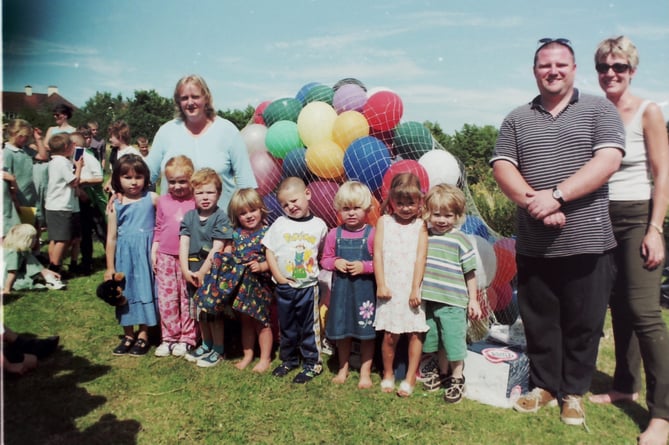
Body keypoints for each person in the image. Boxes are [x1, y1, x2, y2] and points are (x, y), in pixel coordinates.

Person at [490, 38, 625, 426]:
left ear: (574, 68)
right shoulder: (517, 118)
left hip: (588, 240)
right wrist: (537, 203)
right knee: (540, 320)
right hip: (534, 244)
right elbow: (503, 167)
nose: (553, 71)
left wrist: (558, 196)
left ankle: (574, 393)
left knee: (584, 322)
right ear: (535, 71)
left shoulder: (599, 110)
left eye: (561, 64)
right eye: (545, 65)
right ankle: (544, 386)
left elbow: (608, 160)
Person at [588, 36, 669, 445]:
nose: (611, 74)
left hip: (637, 217)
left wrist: (655, 229)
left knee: (644, 311)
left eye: (619, 67)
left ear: (632, 70)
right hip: (600, 219)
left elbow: (662, 173)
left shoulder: (648, 111)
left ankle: (662, 415)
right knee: (618, 308)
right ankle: (624, 384)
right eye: (604, 67)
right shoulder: (594, 111)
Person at [145, 74, 257, 211]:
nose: (190, 102)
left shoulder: (227, 130)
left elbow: (245, 182)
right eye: (184, 98)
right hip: (174, 225)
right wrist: (116, 184)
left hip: (220, 225)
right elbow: (146, 174)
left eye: (195, 97)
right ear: (178, 101)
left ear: (206, 98)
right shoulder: (166, 131)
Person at [420, 183, 481, 403]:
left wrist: (473, 300)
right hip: (431, 299)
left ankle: (457, 377)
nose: (442, 220)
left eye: (449, 215)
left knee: (454, 341)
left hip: (453, 302)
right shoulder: (425, 236)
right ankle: (441, 373)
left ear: (457, 216)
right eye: (437, 214)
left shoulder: (460, 241)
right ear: (428, 213)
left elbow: (470, 273)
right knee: (437, 340)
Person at [263, 177, 328, 384]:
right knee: (287, 326)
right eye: (285, 204)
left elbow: (320, 252)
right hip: (284, 287)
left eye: (294, 200)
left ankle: (312, 364)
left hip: (308, 287)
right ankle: (289, 359)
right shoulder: (279, 224)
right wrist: (280, 278)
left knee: (309, 326)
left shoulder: (319, 225)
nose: (291, 206)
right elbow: (269, 251)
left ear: (307, 194)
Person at [373, 172, 428, 397]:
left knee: (415, 333)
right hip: (390, 287)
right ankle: (388, 373)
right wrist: (381, 284)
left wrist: (415, 288)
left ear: (419, 202)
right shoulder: (384, 222)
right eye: (400, 202)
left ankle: (409, 378)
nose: (405, 207)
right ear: (392, 201)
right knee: (389, 334)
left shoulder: (421, 225)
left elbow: (421, 258)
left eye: (411, 203)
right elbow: (377, 254)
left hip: (412, 287)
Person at [320, 181, 377, 389]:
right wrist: (335, 262)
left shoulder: (372, 234)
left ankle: (365, 372)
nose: (351, 213)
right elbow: (324, 260)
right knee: (342, 332)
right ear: (339, 210)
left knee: (366, 333)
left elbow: (381, 262)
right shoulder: (334, 234)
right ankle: (342, 368)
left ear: (367, 209)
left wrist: (365, 267)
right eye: (346, 209)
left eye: (356, 208)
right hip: (342, 293)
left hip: (365, 294)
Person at [104, 154, 158, 356]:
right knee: (126, 292)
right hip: (125, 255)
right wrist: (110, 267)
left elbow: (169, 211)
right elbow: (111, 238)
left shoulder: (152, 199)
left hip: (145, 254)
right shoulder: (115, 205)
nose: (133, 182)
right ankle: (128, 334)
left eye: (138, 177)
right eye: (127, 177)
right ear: (117, 179)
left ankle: (144, 334)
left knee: (145, 289)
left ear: (146, 178)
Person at [180, 168, 232, 368]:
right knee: (199, 312)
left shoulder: (220, 218)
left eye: (210, 192)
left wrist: (203, 272)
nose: (205, 197)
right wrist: (185, 269)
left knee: (213, 313)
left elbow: (218, 248)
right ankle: (206, 344)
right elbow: (184, 242)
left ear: (218, 194)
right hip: (192, 272)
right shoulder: (189, 217)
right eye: (200, 192)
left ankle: (218, 349)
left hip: (212, 275)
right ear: (193, 194)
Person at [219, 188, 275, 372]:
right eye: (243, 213)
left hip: (260, 285)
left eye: (253, 210)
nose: (249, 216)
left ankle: (265, 358)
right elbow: (228, 252)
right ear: (236, 216)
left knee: (261, 321)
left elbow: (275, 259)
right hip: (240, 286)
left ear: (261, 209)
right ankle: (248, 355)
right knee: (245, 321)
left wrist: (263, 266)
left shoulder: (268, 233)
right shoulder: (236, 234)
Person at [151, 155, 197, 358]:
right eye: (172, 182)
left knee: (187, 298)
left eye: (182, 181)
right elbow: (159, 226)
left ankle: (187, 338)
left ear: (191, 180)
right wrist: (155, 249)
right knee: (167, 299)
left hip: (189, 258)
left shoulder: (196, 201)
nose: (177, 186)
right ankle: (169, 337)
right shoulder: (163, 201)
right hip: (166, 256)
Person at [45, 134, 83, 276]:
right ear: (66, 147)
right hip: (61, 206)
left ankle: (55, 266)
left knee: (56, 239)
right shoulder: (61, 163)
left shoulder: (56, 162)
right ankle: (54, 268)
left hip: (56, 205)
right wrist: (78, 167)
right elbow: (73, 181)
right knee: (62, 239)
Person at [68, 132, 104, 275]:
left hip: (92, 201)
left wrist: (82, 182)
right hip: (79, 200)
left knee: (101, 231)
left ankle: (114, 259)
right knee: (84, 233)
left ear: (74, 145)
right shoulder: (73, 158)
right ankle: (86, 262)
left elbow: (99, 178)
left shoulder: (88, 157)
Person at [3, 119, 41, 235]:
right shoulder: (7, 152)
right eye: (24, 136)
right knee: (19, 231)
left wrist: (38, 138)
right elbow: (6, 178)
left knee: (32, 228)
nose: (26, 139)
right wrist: (15, 199)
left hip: (29, 196)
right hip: (17, 198)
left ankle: (33, 252)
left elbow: (43, 156)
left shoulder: (25, 150)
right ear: (15, 134)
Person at [3, 223, 65, 292]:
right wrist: (7, 289)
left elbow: (34, 264)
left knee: (30, 257)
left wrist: (47, 272)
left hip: (17, 274)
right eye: (34, 238)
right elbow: (12, 272)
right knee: (23, 284)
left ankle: (48, 277)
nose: (36, 240)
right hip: (6, 278)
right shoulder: (13, 252)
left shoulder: (22, 250)